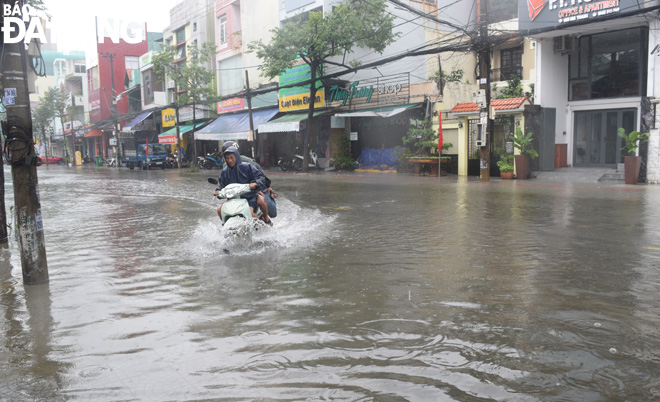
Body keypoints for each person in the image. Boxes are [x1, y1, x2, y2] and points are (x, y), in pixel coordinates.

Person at [214, 146, 273, 226]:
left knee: (252, 212)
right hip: (233, 199)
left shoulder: (247, 167)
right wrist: (218, 191)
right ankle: (225, 225)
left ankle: (264, 221)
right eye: (227, 158)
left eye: (232, 157)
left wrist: (255, 183)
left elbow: (261, 177)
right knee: (219, 210)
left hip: (249, 197)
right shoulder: (225, 171)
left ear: (236, 157)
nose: (230, 160)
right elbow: (221, 185)